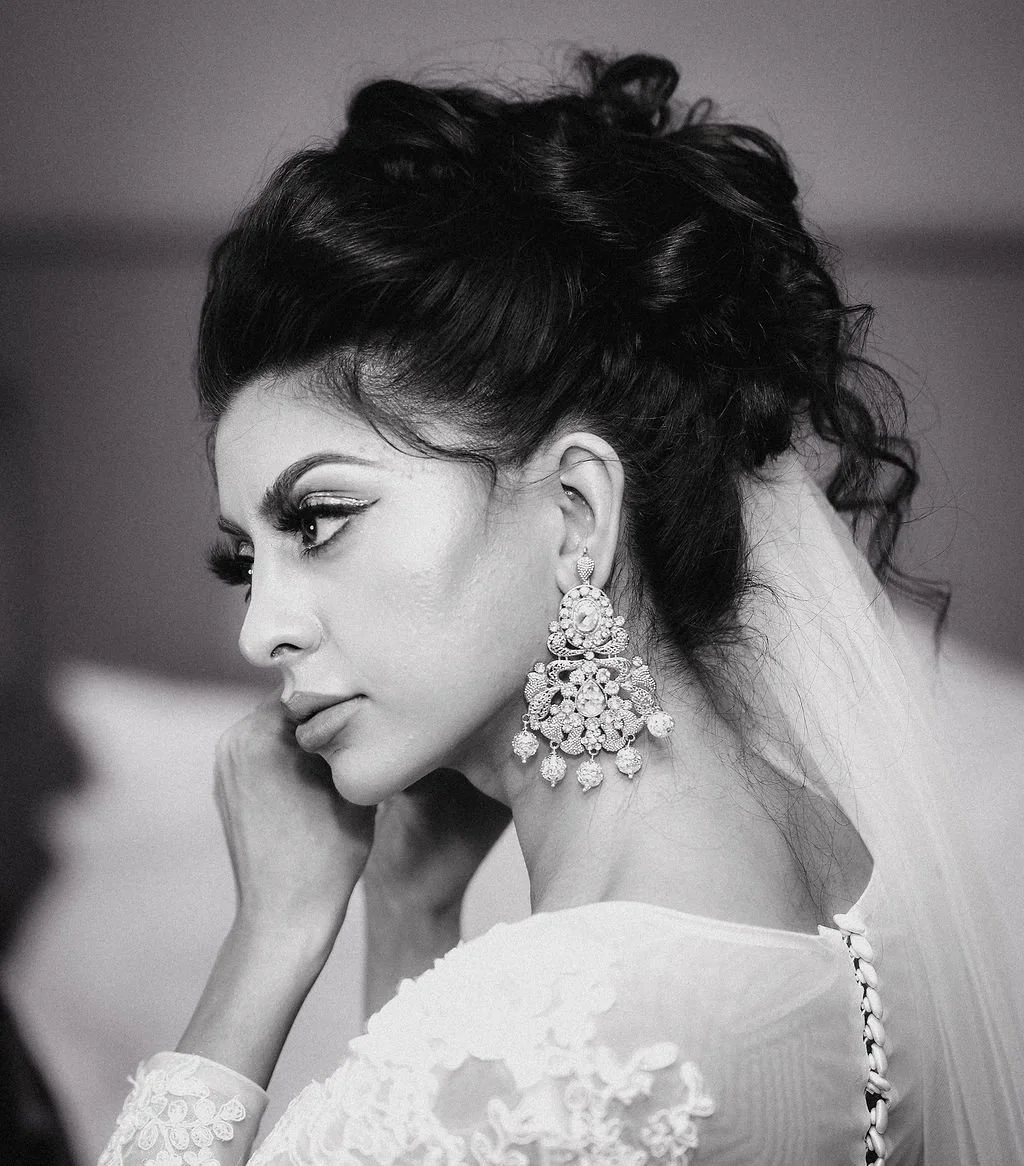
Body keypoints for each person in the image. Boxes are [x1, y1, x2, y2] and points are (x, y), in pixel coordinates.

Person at [98, 52, 1023, 1165]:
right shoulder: (851, 886)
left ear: (577, 514)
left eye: (321, 518)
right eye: (244, 561)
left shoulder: (511, 1057)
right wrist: (410, 914)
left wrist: (269, 937)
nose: (261, 629)